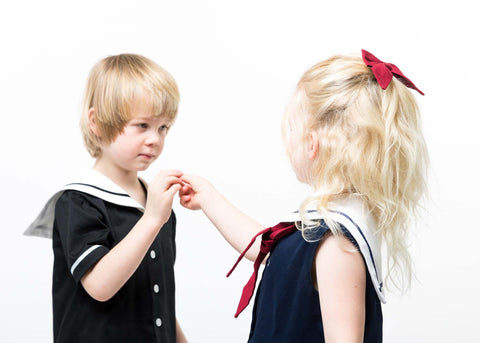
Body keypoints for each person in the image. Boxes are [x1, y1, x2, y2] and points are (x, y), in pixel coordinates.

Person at [179, 50, 428, 342]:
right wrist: (209, 198)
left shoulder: (336, 243)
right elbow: (271, 249)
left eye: (291, 128)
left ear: (312, 143)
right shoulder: (324, 227)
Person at [25, 54, 188, 343]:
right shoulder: (78, 201)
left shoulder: (155, 206)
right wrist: (152, 219)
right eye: (142, 125)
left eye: (164, 127)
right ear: (98, 122)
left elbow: (157, 296)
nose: (156, 139)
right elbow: (100, 286)